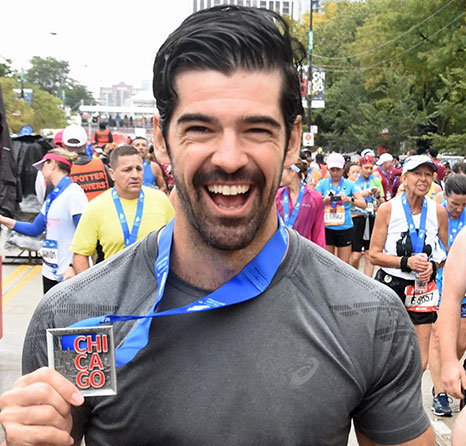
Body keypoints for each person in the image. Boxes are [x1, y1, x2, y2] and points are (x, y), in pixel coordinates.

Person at [0, 6, 434, 445]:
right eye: (200, 129)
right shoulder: (76, 317)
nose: (229, 158)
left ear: (294, 140)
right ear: (161, 138)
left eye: (257, 130)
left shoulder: (366, 316)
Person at [369, 155, 448, 371]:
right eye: (417, 173)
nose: (423, 179)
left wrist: (433, 266)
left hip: (422, 288)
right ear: (404, 177)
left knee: (420, 359)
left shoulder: (438, 212)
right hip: (391, 284)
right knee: (385, 353)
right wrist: (406, 262)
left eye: (428, 174)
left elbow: (445, 252)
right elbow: (373, 255)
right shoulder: (388, 209)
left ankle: (406, 401)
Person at [70, 145, 174, 272]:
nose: (135, 175)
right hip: (113, 287)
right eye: (127, 170)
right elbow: (80, 254)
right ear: (112, 174)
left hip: (155, 285)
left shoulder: (161, 200)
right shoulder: (96, 207)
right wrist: (88, 290)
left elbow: (177, 244)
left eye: (138, 169)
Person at [0, 149, 88, 293]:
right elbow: (35, 229)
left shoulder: (74, 193)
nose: (40, 172)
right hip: (49, 271)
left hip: (68, 273)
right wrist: (3, 220)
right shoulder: (53, 195)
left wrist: (73, 266)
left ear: (52, 164)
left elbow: (84, 234)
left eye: (43, 167)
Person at [428, 174, 466, 416]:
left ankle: (448, 372)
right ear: (445, 197)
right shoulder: (435, 214)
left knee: (459, 340)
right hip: (436, 283)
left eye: (463, 204)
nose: (458, 209)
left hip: (461, 286)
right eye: (454, 204)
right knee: (438, 337)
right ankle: (439, 391)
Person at [315, 152, 365, 263]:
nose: (335, 173)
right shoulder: (322, 184)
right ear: (328, 169)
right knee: (326, 262)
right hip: (327, 227)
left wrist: (349, 199)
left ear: (343, 169)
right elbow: (314, 204)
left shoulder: (350, 184)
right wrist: (325, 201)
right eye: (332, 169)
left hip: (345, 227)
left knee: (343, 263)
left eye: (338, 169)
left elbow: (363, 204)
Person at [275, 158, 325, 248]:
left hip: (304, 252)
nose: (278, 175)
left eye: (281, 171)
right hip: (280, 250)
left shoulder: (315, 198)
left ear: (293, 171)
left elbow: (319, 232)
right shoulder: (277, 196)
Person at [349, 154, 385, 277]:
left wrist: (378, 196)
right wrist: (363, 194)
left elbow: (383, 203)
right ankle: (353, 278)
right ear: (361, 167)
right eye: (366, 168)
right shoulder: (353, 180)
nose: (369, 171)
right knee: (355, 255)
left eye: (371, 168)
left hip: (371, 217)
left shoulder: (376, 181)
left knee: (370, 253)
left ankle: (367, 281)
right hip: (356, 217)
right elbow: (347, 198)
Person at [62, 125, 112, 201]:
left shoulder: (60, 169)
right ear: (85, 145)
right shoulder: (102, 166)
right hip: (99, 211)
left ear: (63, 145)